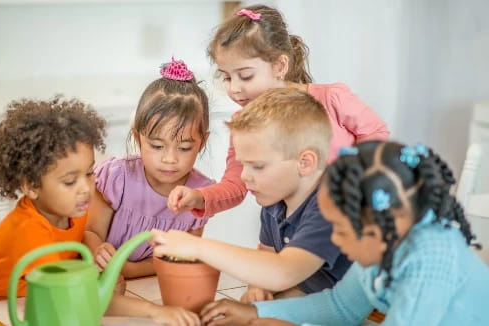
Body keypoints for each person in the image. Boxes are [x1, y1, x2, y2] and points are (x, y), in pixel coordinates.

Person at [199, 140, 489, 326]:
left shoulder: (431, 262)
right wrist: (255, 313)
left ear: (378, 225)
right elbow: (339, 307)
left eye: (339, 228)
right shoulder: (379, 252)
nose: (333, 239)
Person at [168, 4, 390, 219]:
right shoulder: (244, 122)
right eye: (226, 77)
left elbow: (376, 135)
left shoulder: (332, 99)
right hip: (291, 226)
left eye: (245, 76)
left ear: (280, 66)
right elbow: (236, 183)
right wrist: (199, 197)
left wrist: (352, 179)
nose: (234, 89)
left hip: (345, 220)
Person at [152, 88, 351, 305]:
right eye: (243, 164)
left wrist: (197, 247)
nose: (245, 176)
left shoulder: (331, 203)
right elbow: (268, 257)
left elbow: (284, 271)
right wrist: (258, 287)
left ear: (305, 163)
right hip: (322, 297)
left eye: (257, 166)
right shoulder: (275, 202)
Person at [83, 57, 214, 280]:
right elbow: (90, 232)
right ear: (138, 137)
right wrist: (98, 252)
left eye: (184, 148)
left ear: (202, 142)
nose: (170, 159)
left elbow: (182, 255)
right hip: (100, 281)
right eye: (156, 146)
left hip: (152, 286)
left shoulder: (201, 195)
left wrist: (129, 270)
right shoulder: (117, 177)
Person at [0, 97, 107, 297]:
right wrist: (152, 310)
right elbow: (67, 294)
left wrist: (96, 250)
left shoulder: (72, 208)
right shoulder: (29, 230)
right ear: (32, 186)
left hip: (25, 301)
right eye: (70, 181)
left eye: (89, 173)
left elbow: (76, 237)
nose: (85, 188)